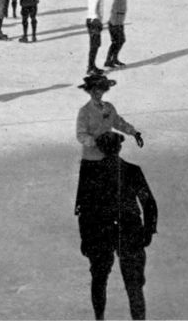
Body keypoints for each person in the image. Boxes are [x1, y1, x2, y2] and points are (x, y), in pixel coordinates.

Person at [75, 130, 157, 321]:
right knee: (133, 284)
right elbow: (149, 203)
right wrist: (148, 231)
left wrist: (85, 237)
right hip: (128, 229)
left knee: (100, 279)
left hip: (100, 231)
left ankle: (100, 318)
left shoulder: (90, 173)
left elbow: (82, 209)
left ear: (101, 149)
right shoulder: (131, 170)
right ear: (119, 148)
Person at [105, 0, 135, 68]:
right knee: (117, 42)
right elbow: (114, 10)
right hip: (115, 23)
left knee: (120, 41)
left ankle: (114, 59)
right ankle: (108, 61)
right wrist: (115, 24)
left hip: (119, 23)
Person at [86, 0, 106, 74]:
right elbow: (94, 10)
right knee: (94, 46)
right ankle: (91, 68)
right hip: (94, 21)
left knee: (95, 45)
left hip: (93, 21)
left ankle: (92, 66)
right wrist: (98, 21)